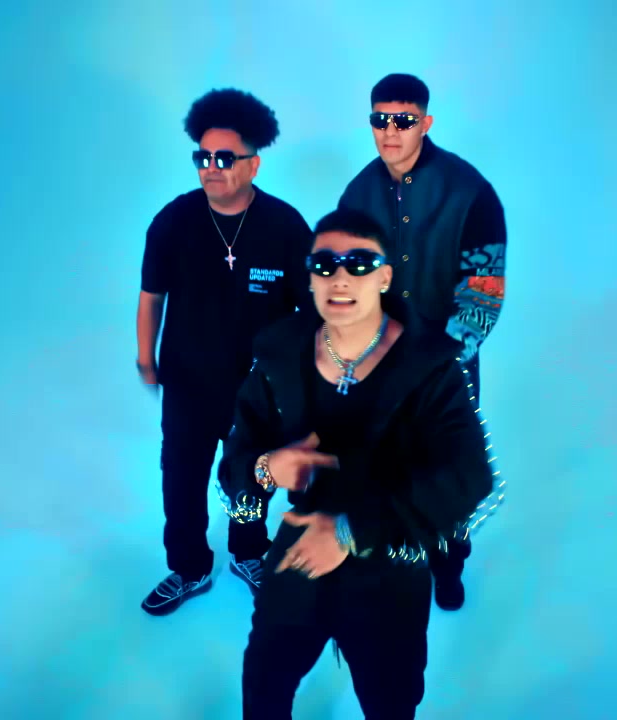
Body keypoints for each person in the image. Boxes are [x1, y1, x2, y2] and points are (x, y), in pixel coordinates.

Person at [215, 208, 502, 718]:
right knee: (263, 685)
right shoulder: (280, 353)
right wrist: (267, 469)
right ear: (309, 277)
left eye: (360, 263)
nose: (341, 277)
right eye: (325, 265)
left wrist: (349, 532)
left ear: (385, 276)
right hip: (300, 547)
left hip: (392, 560)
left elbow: (470, 476)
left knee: (390, 699)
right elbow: (236, 458)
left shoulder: (431, 365)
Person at [137, 88, 312, 616]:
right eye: (203, 157)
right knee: (181, 478)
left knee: (251, 477)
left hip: (257, 391)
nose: (211, 168)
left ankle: (249, 553)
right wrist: (145, 357)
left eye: (225, 158)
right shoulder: (173, 222)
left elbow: (312, 312)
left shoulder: (285, 227)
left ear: (254, 164)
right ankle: (189, 566)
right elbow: (151, 296)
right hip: (188, 383)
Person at [337, 72, 508, 611]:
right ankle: (390, 564)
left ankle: (448, 564)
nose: (391, 131)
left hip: (446, 365)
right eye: (380, 120)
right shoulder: (356, 195)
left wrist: (444, 359)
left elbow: (483, 290)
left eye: (404, 120)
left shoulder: (470, 192)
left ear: (425, 122)